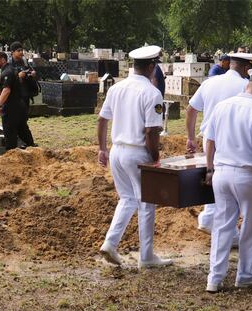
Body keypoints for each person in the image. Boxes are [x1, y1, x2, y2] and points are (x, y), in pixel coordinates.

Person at [204, 69, 252, 293]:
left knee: (222, 225)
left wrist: (210, 168)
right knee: (250, 226)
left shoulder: (222, 106)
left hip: (221, 172)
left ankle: (214, 278)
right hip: (247, 174)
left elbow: (209, 141)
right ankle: (245, 274)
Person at [98, 45, 173, 269]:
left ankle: (110, 243)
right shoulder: (152, 93)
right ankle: (147, 256)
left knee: (127, 199)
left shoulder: (117, 88)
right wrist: (155, 157)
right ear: (151, 66)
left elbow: (102, 120)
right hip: (137, 152)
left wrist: (102, 148)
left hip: (117, 150)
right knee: (146, 203)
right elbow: (152, 131)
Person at [186, 53, 252, 246]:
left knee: (216, 178)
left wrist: (190, 137)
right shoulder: (245, 86)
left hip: (208, 138)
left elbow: (191, 109)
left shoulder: (210, 83)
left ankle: (211, 218)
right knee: (227, 183)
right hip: (232, 140)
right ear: (245, 68)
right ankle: (219, 224)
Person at [0, 52, 34, 150]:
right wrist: (0, 93)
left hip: (11, 109)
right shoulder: (12, 69)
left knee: (10, 134)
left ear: (3, 60)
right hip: (20, 105)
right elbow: (12, 88)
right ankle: (33, 149)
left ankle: (11, 156)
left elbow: (7, 90)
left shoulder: (7, 72)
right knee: (23, 131)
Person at [9, 41, 37, 147]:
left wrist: (32, 73)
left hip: (25, 94)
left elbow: (30, 70)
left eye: (22, 50)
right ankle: (18, 140)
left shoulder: (24, 61)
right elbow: (7, 78)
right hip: (15, 95)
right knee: (15, 118)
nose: (21, 52)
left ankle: (27, 141)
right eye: (18, 51)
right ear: (12, 52)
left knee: (23, 118)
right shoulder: (9, 64)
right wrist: (18, 76)